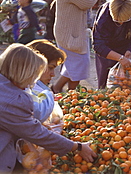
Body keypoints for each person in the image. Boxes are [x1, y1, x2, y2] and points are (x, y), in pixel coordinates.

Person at [0, 43, 96, 173]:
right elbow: (37, 134)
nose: (32, 83)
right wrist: (77, 147)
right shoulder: (13, 99)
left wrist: (30, 123)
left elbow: (16, 122)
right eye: (33, 76)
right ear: (23, 73)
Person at [53, 0, 100, 93]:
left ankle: (58, 89)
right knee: (78, 64)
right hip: (68, 32)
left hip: (75, 31)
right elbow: (86, 2)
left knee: (74, 65)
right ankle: (70, 94)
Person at [93, 0, 131, 89]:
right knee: (104, 83)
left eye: (125, 21)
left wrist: (130, 50)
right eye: (117, 21)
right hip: (106, 52)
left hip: (124, 48)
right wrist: (119, 58)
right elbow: (98, 45)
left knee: (125, 83)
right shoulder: (103, 17)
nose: (121, 24)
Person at [27, 39, 66, 122]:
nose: (53, 74)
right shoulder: (26, 90)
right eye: (50, 68)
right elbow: (38, 113)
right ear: (37, 65)